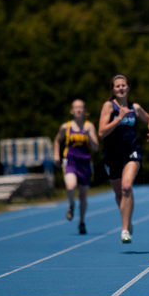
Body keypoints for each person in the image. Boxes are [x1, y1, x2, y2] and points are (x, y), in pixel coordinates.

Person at [98, 74, 149, 244]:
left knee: (126, 187)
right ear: (113, 89)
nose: (121, 88)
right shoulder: (109, 106)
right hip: (112, 155)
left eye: (123, 85)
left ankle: (124, 229)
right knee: (119, 194)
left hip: (131, 152)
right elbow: (101, 132)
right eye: (117, 86)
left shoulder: (134, 107)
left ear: (128, 87)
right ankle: (127, 220)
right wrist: (119, 118)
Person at [53, 99, 99, 234]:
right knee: (71, 186)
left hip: (85, 163)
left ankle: (82, 222)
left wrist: (89, 135)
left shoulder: (89, 126)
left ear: (85, 111)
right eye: (76, 107)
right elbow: (57, 140)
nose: (79, 110)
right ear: (72, 111)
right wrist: (56, 155)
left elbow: (96, 147)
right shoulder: (66, 127)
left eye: (81, 107)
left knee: (83, 197)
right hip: (70, 161)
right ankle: (71, 203)